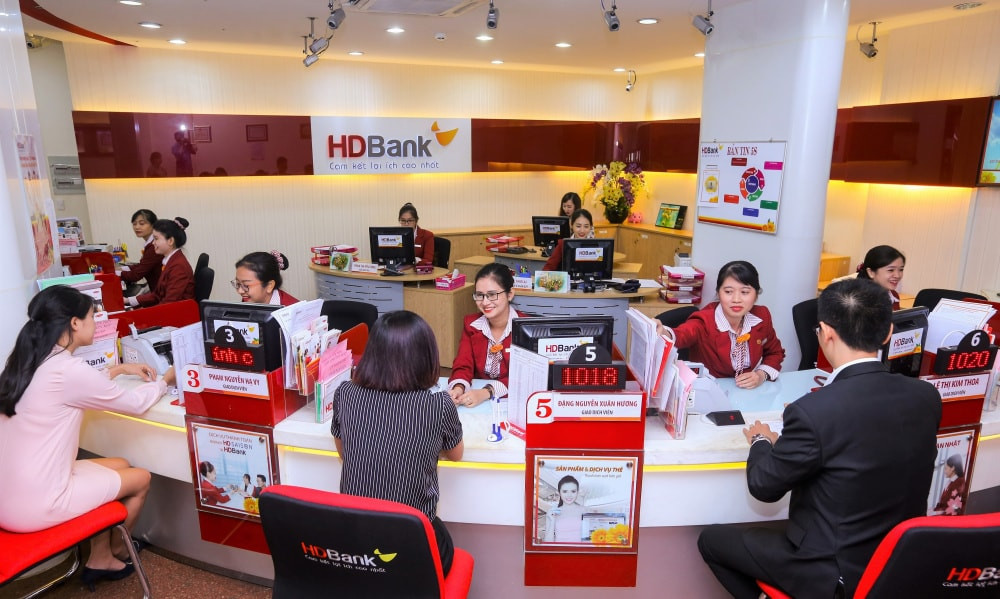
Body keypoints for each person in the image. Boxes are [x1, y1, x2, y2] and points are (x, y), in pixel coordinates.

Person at [697, 278, 942, 599]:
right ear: (887, 334)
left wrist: (761, 440)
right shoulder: (926, 396)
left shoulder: (814, 411)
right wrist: (808, 424)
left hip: (830, 571)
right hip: (897, 563)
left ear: (825, 333)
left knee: (712, 541)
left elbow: (764, 487)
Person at [0, 286, 175, 591]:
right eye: (93, 316)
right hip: (37, 502)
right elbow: (133, 403)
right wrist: (165, 380)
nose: (97, 322)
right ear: (74, 323)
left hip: (11, 495)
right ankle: (119, 551)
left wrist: (119, 368)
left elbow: (76, 386)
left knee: (120, 464)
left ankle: (101, 554)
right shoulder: (67, 369)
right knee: (141, 478)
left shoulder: (28, 361)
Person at [331, 310, 463, 574]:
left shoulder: (345, 393)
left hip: (355, 543)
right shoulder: (438, 404)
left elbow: (344, 452)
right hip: (412, 540)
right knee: (443, 539)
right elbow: (456, 454)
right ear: (426, 357)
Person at [661, 261, 784, 387]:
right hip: (709, 391)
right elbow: (682, 334)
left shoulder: (762, 316)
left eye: (745, 292)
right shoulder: (704, 320)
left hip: (747, 392)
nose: (736, 299)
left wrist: (761, 375)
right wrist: (664, 332)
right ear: (719, 293)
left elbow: (775, 352)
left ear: (756, 295)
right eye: (728, 292)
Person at [449, 263, 524, 408]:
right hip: (477, 401)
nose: (485, 302)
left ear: (510, 294)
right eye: (479, 295)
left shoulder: (526, 328)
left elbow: (524, 377)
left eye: (492, 295)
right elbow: (463, 365)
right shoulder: (471, 324)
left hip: (514, 401)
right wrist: (458, 387)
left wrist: (486, 392)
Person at [128, 217, 194, 308]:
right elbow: (157, 295)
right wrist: (128, 300)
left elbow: (168, 305)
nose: (153, 243)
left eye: (156, 239)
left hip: (178, 314)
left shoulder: (179, 267)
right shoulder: (171, 260)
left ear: (170, 241)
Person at [119, 209, 161, 296]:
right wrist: (124, 268)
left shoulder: (154, 246)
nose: (137, 227)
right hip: (156, 290)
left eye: (142, 224)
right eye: (134, 224)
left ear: (153, 225)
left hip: (160, 293)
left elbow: (136, 275)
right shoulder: (150, 243)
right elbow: (143, 265)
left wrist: (116, 273)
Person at [233, 251, 298, 306]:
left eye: (246, 285)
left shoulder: (294, 311)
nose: (240, 291)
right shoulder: (246, 303)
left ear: (269, 286)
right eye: (238, 284)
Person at [856, 245, 905, 310]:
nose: (897, 275)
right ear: (871, 272)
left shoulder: (893, 295)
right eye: (891, 270)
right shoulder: (858, 300)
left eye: (901, 269)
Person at [543, 475, 586, 543]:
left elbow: (589, 539)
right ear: (559, 492)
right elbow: (548, 542)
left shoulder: (584, 510)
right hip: (559, 549)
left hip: (579, 549)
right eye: (565, 491)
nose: (569, 495)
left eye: (573, 491)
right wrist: (552, 520)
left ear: (577, 492)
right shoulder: (552, 512)